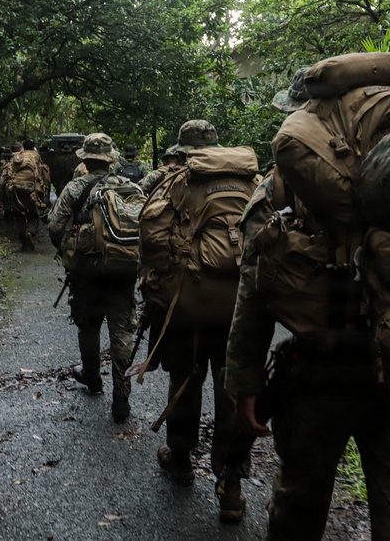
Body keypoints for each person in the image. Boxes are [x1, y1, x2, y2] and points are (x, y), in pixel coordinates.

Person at [226, 67, 390, 539]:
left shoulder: (283, 186)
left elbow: (255, 290)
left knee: (300, 500)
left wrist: (244, 383)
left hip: (320, 374)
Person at [135, 120, 254, 524]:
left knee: (185, 379)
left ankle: (181, 458)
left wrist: (157, 290)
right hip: (240, 310)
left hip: (185, 305)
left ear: (183, 148)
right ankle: (231, 484)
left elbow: (150, 241)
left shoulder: (174, 182)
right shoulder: (250, 182)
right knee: (232, 389)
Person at [47, 133, 138, 423]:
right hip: (123, 270)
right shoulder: (129, 186)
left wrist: (71, 249)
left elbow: (55, 227)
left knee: (88, 325)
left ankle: (92, 377)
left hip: (86, 272)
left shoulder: (75, 187)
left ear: (85, 159)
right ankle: (121, 399)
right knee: (122, 331)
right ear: (112, 159)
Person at [0, 141, 50, 250]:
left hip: (15, 190)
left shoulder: (14, 159)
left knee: (19, 216)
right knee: (33, 214)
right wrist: (44, 191)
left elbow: (3, 179)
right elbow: (44, 173)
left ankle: (23, 243)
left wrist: (0, 198)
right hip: (32, 190)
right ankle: (30, 232)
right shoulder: (35, 156)